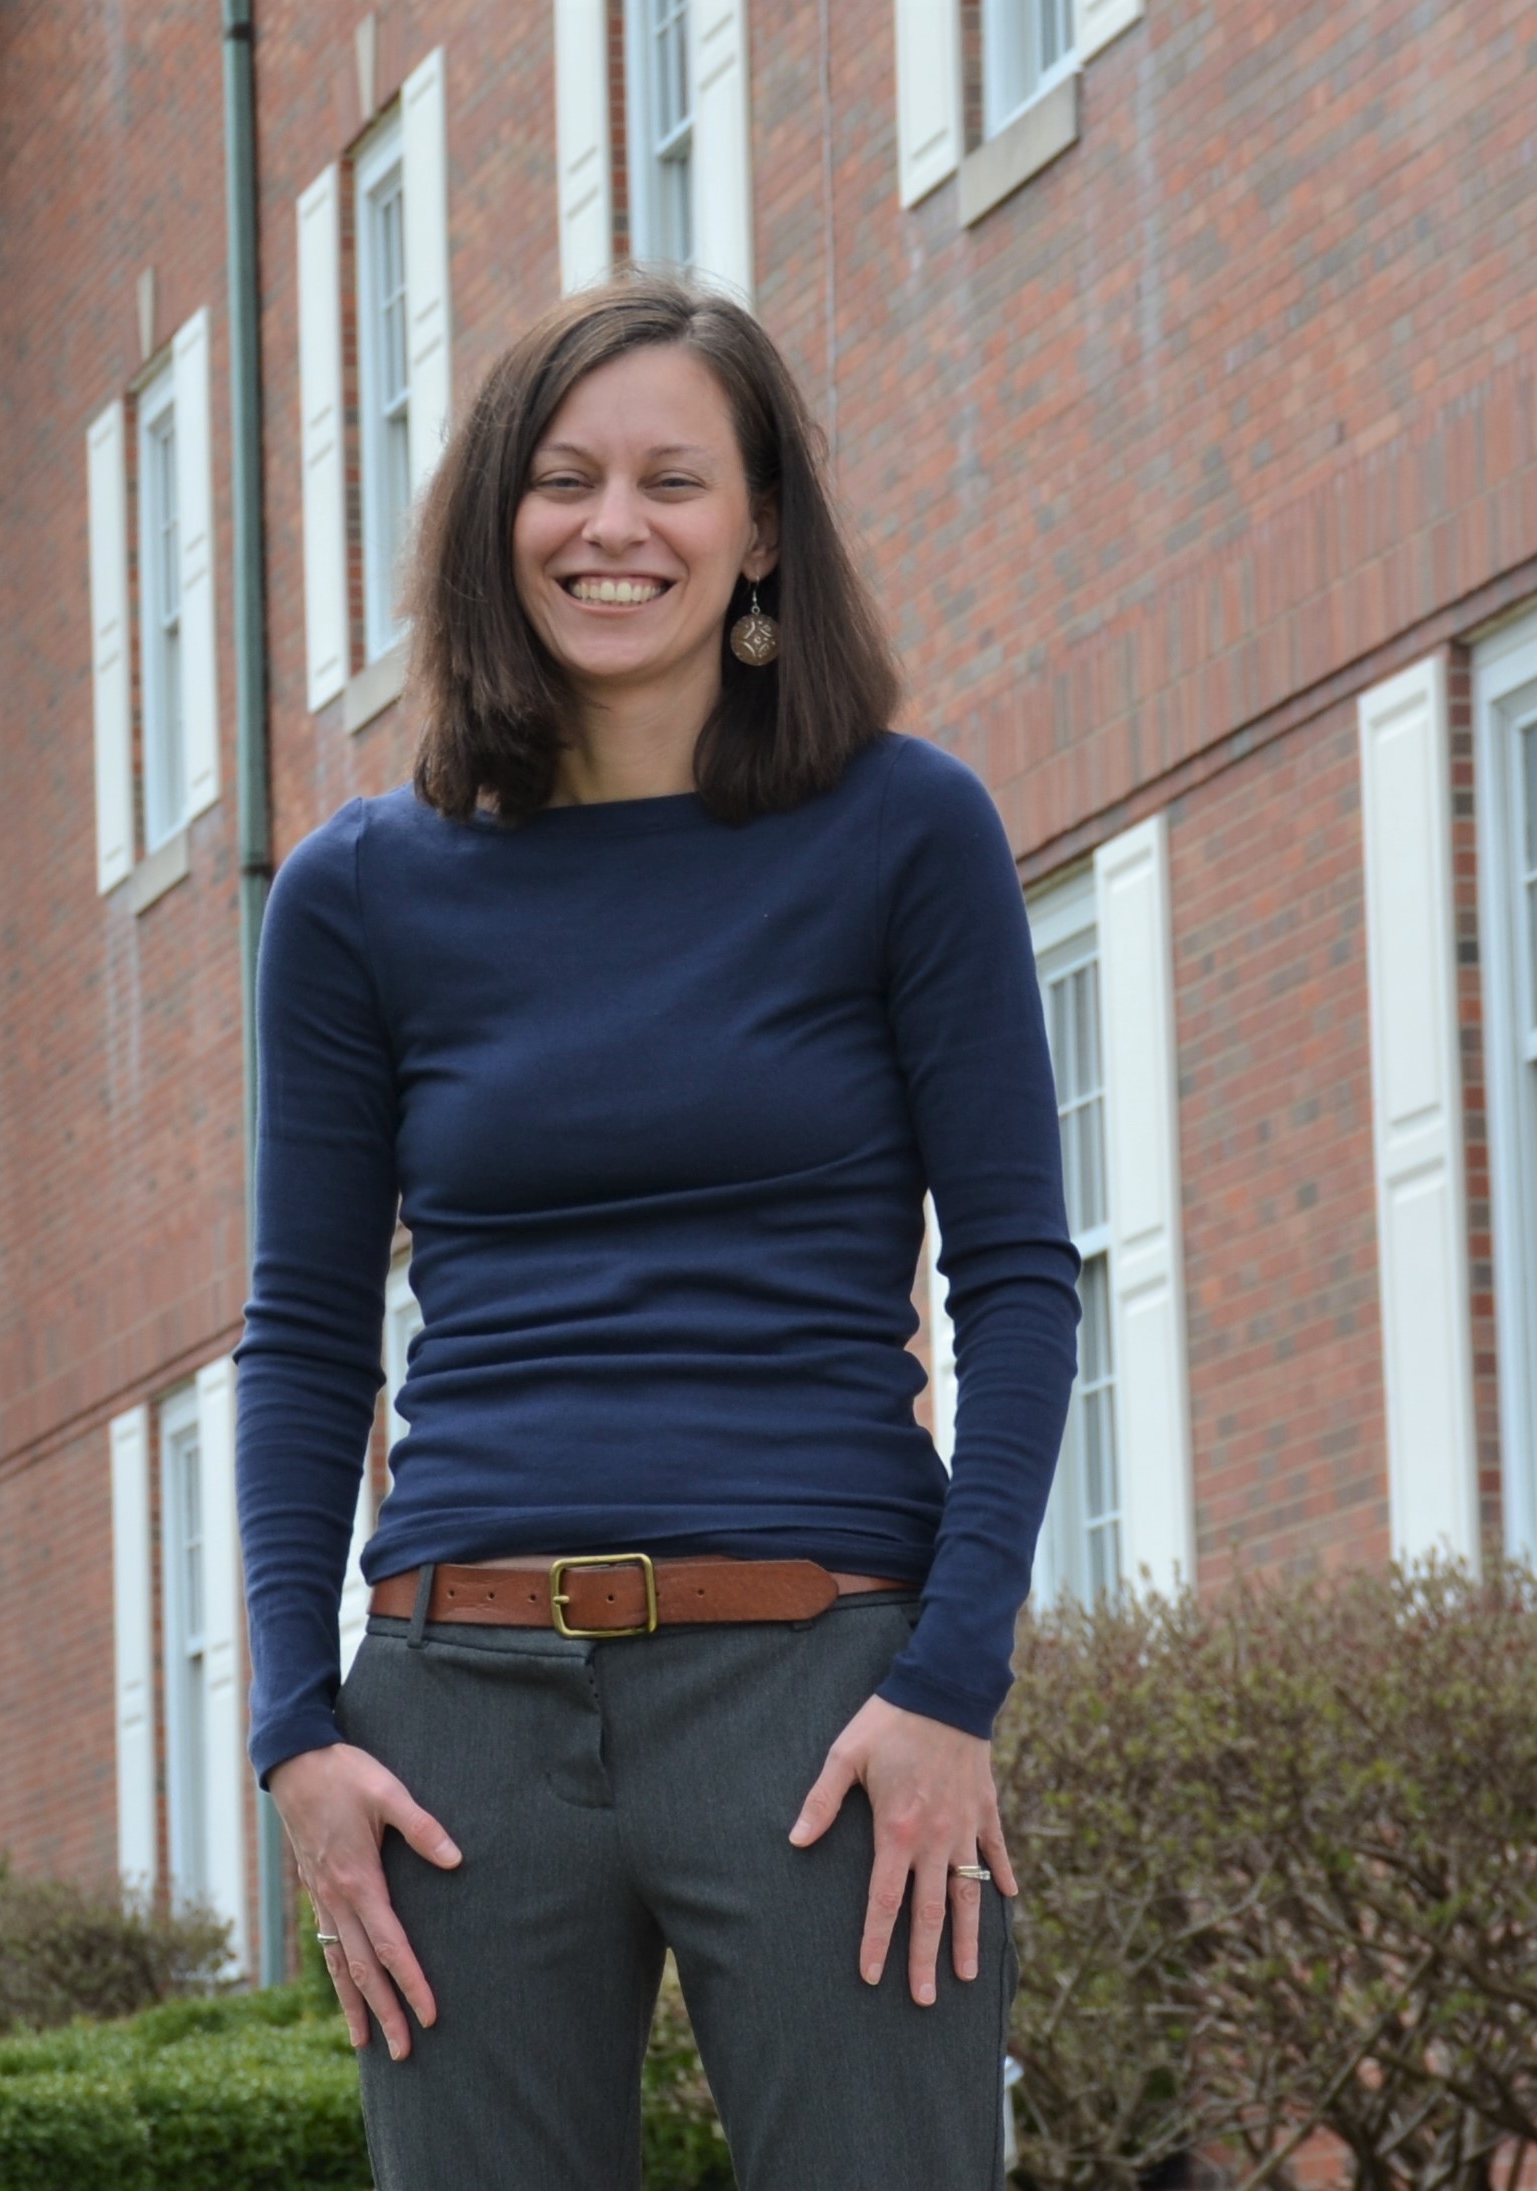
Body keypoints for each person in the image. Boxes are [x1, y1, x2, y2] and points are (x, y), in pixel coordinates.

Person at [232, 269, 1083, 2188]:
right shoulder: (360, 895)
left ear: (760, 527)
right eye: (564, 479)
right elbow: (299, 1338)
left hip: (825, 1696)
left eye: (674, 481)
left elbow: (1020, 1281)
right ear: (493, 525)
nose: (614, 527)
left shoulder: (903, 835)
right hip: (455, 1721)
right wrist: (299, 1731)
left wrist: (952, 1687)